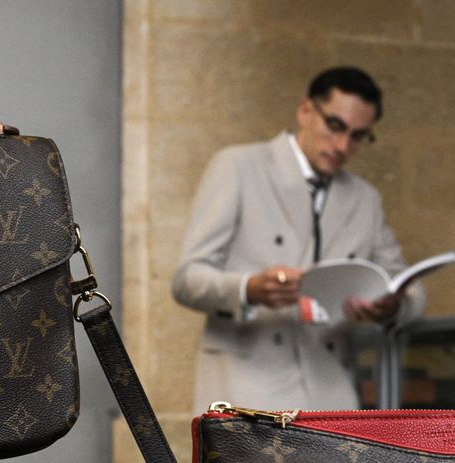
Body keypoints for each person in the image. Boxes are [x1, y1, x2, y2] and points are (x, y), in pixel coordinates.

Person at [172, 66, 424, 412]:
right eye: (335, 126)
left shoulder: (365, 199)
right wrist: (250, 288)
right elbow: (187, 278)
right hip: (245, 389)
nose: (342, 145)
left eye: (358, 136)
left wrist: (391, 305)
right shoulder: (239, 166)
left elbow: (409, 289)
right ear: (306, 110)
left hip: (331, 390)